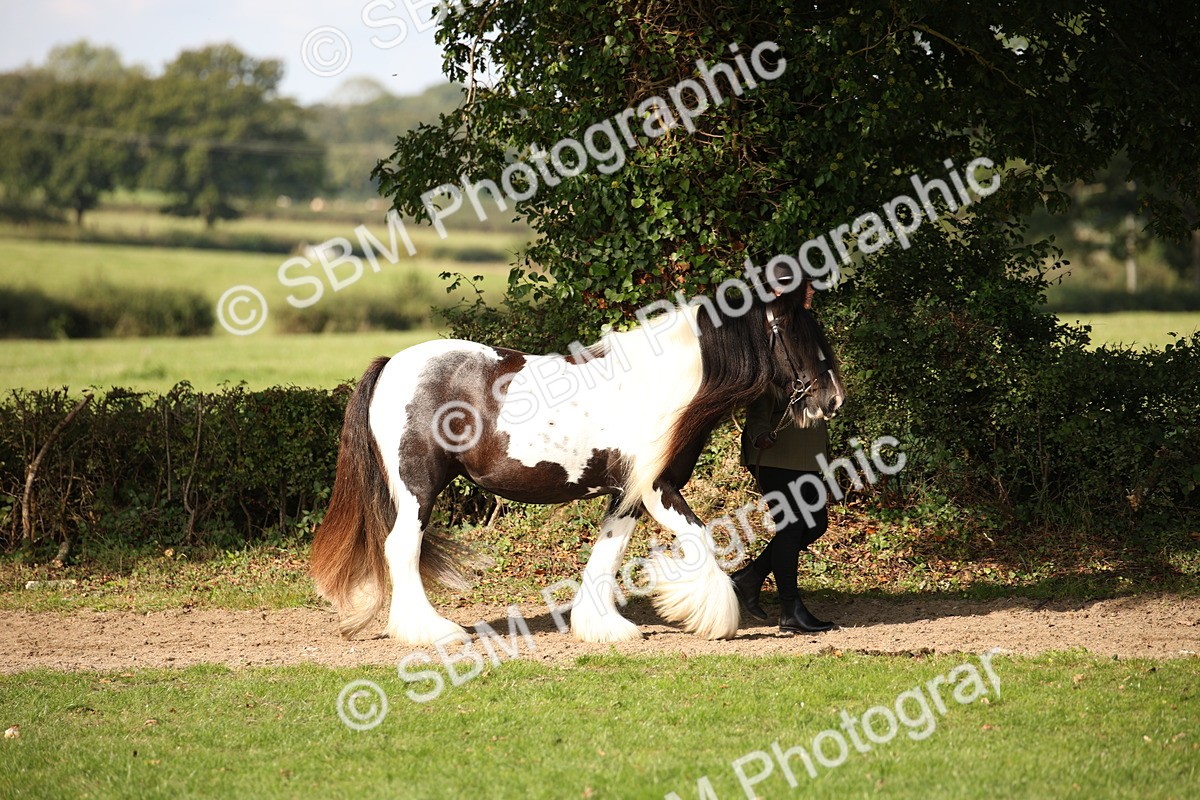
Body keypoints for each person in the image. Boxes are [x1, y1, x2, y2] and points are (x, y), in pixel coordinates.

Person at [731, 392, 836, 633]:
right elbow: (757, 397)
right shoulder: (778, 369)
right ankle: (790, 611)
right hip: (777, 456)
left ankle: (750, 578)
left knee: (816, 524)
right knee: (791, 528)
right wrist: (759, 432)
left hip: (809, 458)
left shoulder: (818, 372)